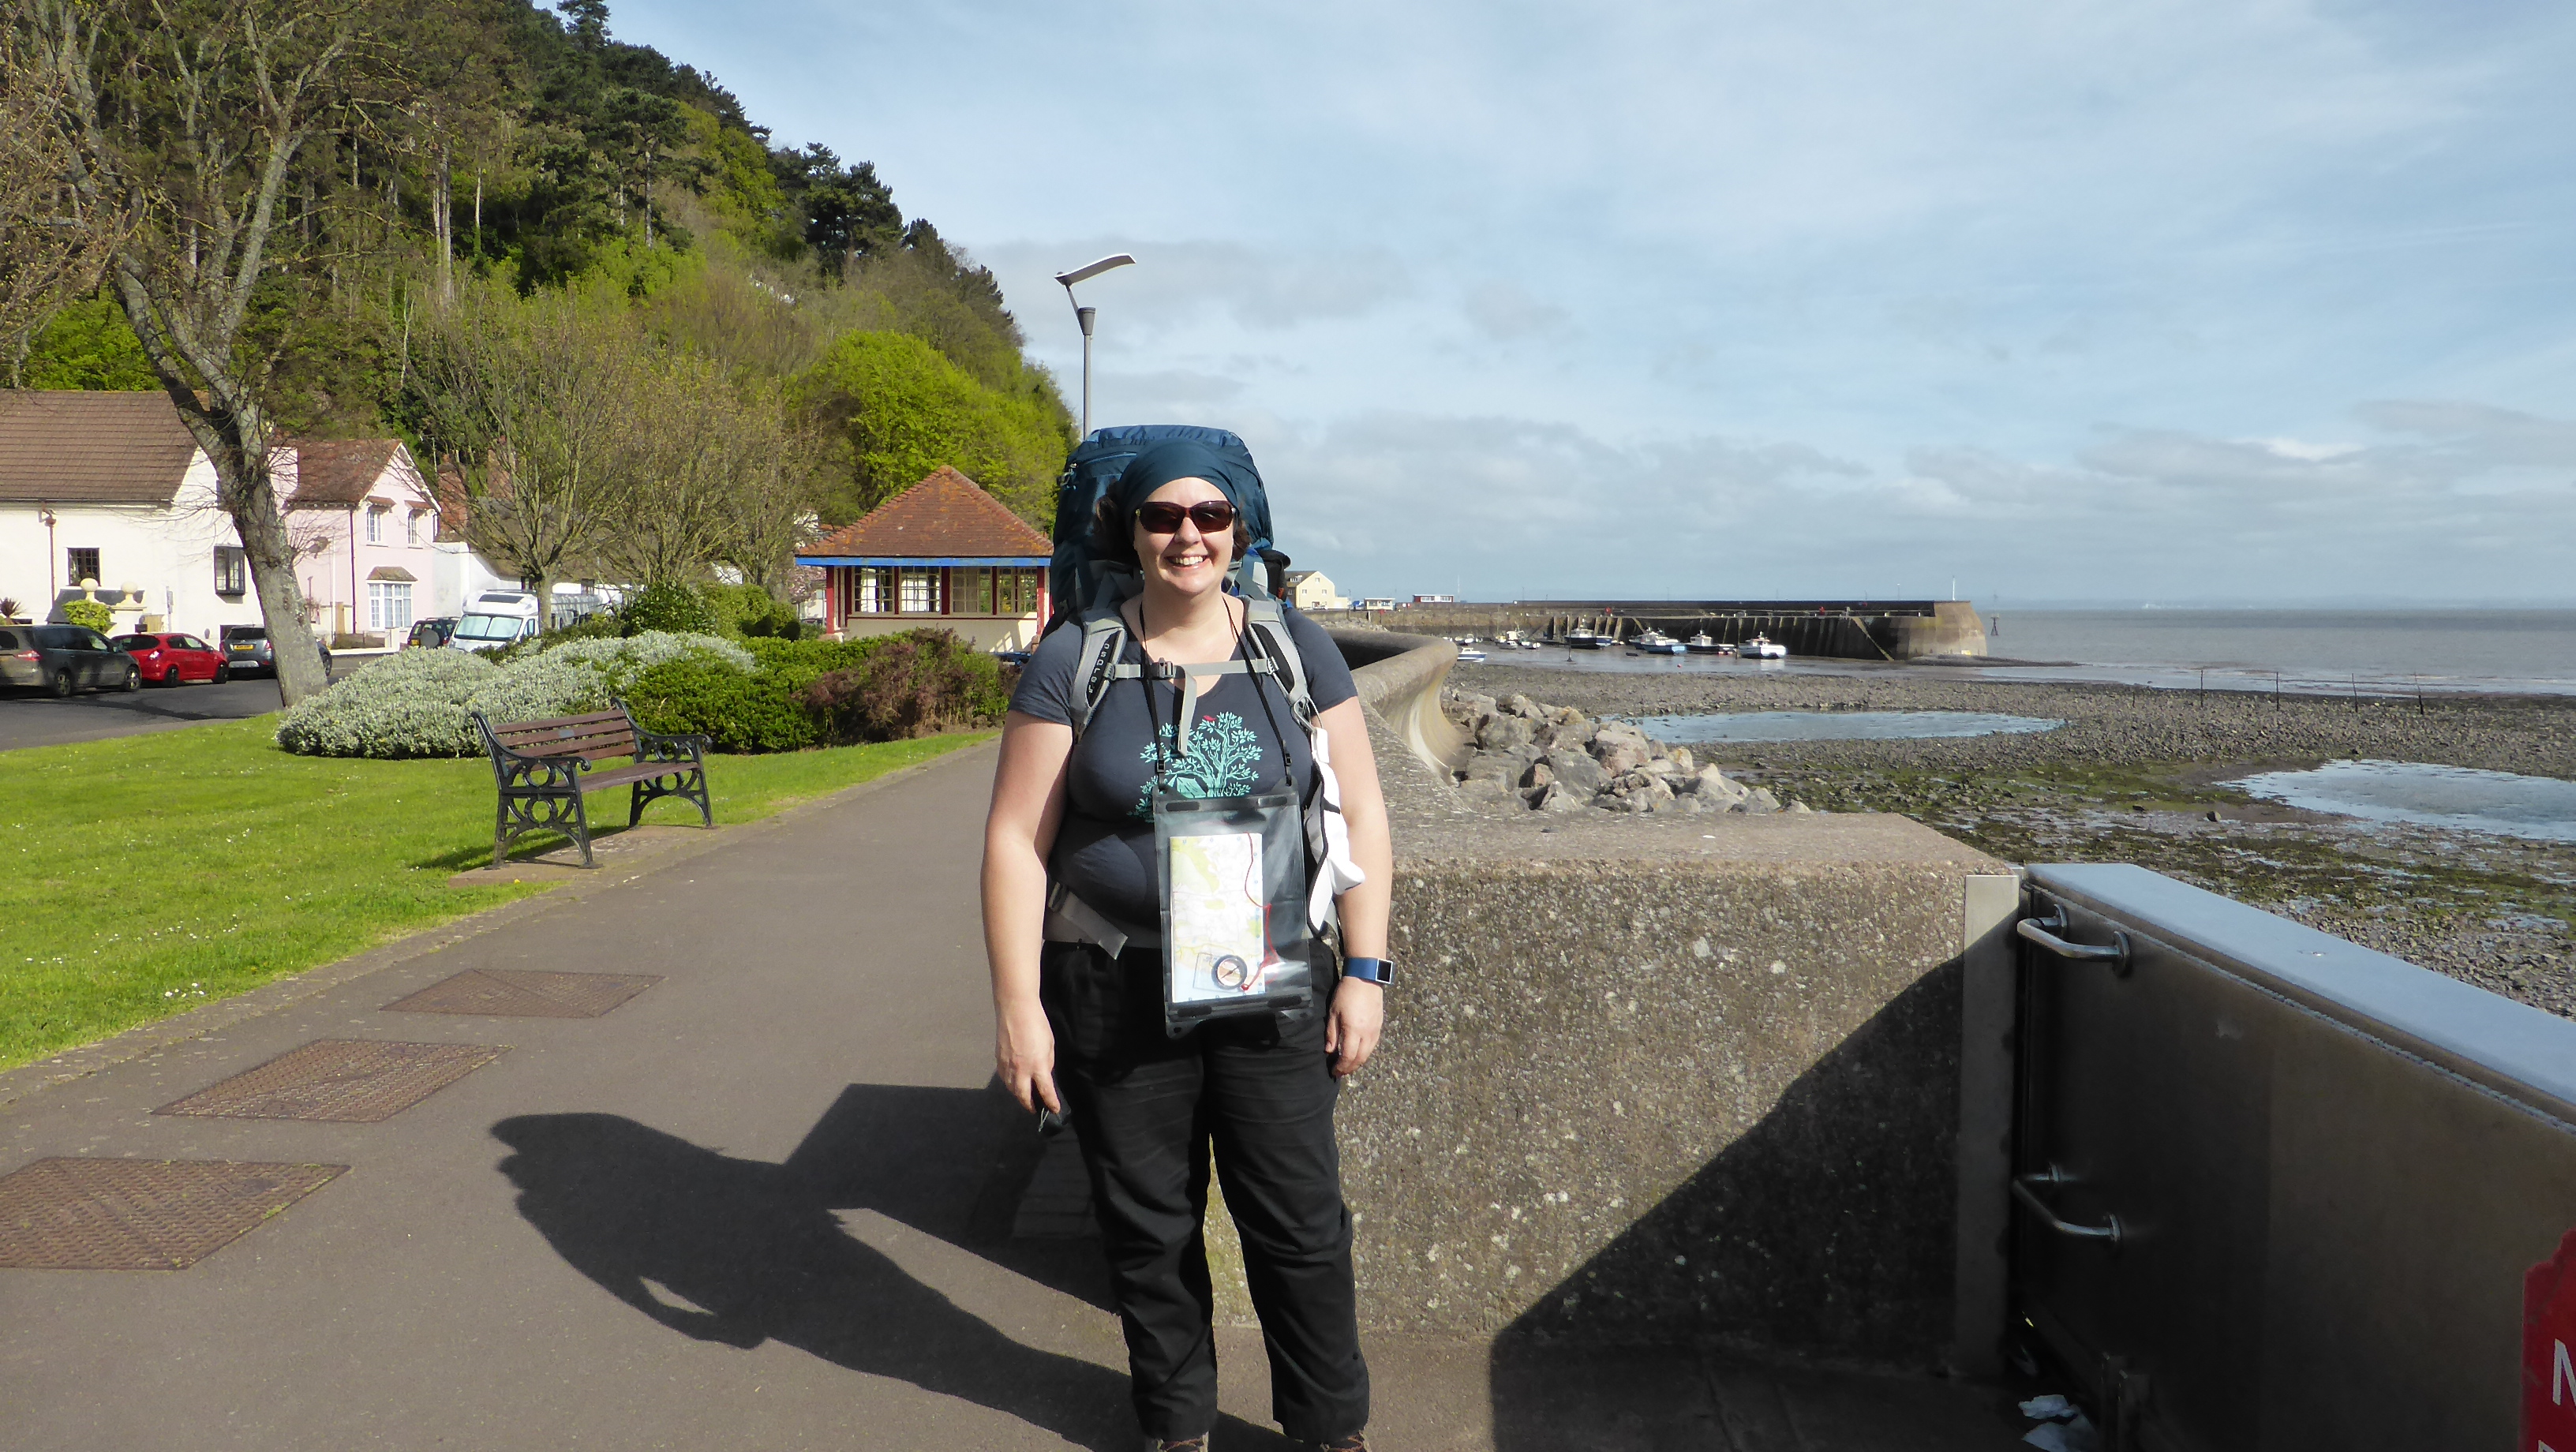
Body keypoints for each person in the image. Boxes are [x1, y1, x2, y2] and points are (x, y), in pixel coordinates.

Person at [982, 440, 1396, 1452]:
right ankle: (1177, 1425)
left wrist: (1366, 970)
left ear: (1239, 532)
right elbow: (1014, 840)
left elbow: (1363, 815)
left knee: (1300, 1222)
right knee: (1148, 1225)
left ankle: (1330, 1428)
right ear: (1130, 532)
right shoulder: (1075, 659)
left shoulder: (1296, 649)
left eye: (1210, 516)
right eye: (1163, 516)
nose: (1188, 535)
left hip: (1273, 976)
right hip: (1113, 981)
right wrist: (1018, 1008)